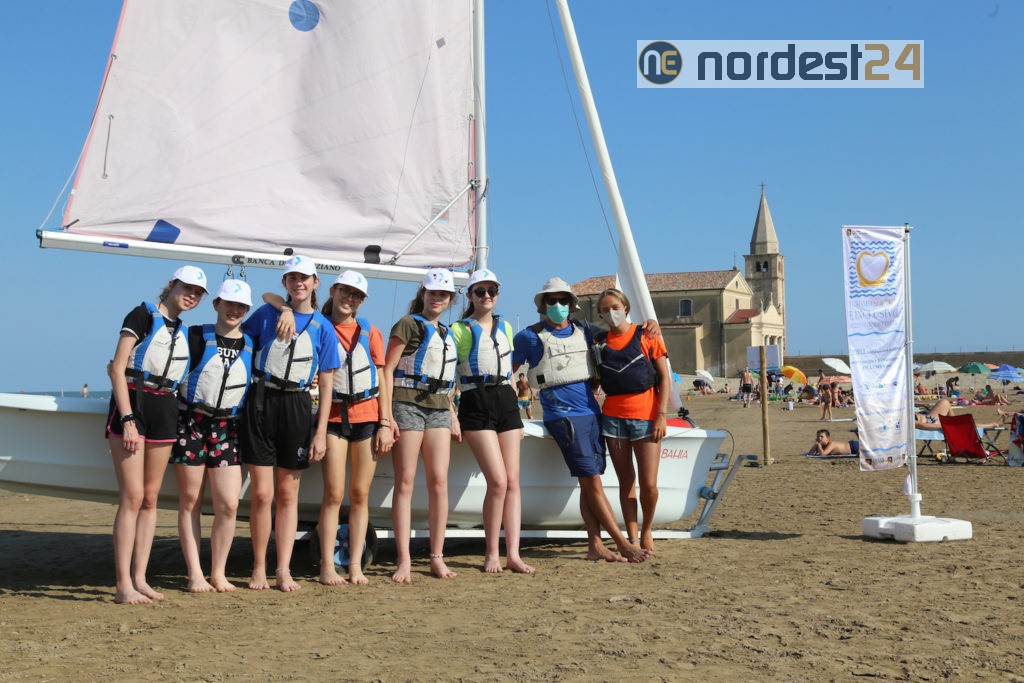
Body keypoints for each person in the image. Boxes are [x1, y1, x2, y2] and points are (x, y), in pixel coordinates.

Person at [512, 276, 649, 563]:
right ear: (542, 305)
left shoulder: (586, 331)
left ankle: (595, 545)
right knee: (592, 481)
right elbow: (508, 373)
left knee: (590, 484)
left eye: (563, 300)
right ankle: (622, 543)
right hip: (563, 417)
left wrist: (649, 326)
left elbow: (621, 333)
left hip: (592, 414)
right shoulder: (528, 337)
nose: (558, 305)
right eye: (552, 301)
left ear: (571, 304)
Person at [106, 264, 209, 604]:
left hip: (165, 408)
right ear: (172, 284)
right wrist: (128, 419)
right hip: (134, 403)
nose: (191, 295)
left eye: (198, 292)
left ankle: (140, 578)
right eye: (187, 287)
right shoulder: (142, 315)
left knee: (150, 499)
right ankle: (123, 584)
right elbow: (117, 368)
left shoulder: (185, 331)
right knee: (132, 497)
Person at [241, 255, 339, 592]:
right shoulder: (267, 313)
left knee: (287, 493)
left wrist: (320, 432)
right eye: (292, 278)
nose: (298, 283)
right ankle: (258, 567)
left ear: (315, 283)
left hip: (297, 405)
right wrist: (282, 307)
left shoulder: (324, 327)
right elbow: (240, 339)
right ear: (285, 283)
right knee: (262, 494)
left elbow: (327, 383)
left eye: (304, 278)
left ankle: (282, 569)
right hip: (261, 401)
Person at [171, 279, 253, 593]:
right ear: (216, 304)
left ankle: (218, 573)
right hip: (192, 422)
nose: (234, 310)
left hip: (228, 427)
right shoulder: (194, 336)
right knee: (191, 501)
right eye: (229, 303)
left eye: (241, 306)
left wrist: (285, 310)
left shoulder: (252, 343)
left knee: (229, 504)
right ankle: (195, 574)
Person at [312, 270, 393, 586]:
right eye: (345, 291)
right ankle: (327, 566)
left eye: (357, 295)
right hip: (333, 419)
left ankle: (356, 566)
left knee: (360, 494)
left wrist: (385, 422)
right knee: (333, 494)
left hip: (367, 419)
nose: (350, 298)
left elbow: (382, 379)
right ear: (333, 291)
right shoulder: (319, 327)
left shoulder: (370, 331)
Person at [451, 269, 534, 574]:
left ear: (498, 294)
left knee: (512, 482)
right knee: (497, 481)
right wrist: (451, 415)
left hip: (506, 401)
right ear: (470, 295)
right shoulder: (459, 330)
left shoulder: (506, 327)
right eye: (480, 291)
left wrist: (518, 416)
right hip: (475, 400)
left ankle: (513, 554)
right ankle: (491, 552)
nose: (487, 296)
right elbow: (447, 374)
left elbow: (509, 373)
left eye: (492, 291)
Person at [383, 268, 461, 582]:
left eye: (443, 294)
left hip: (439, 408)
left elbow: (448, 380)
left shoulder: (447, 333)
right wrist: (386, 416)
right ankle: (404, 559)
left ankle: (436, 557)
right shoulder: (407, 324)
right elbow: (387, 369)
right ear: (423, 294)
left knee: (439, 482)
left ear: (450, 298)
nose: (437, 298)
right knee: (405, 481)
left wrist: (453, 413)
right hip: (407, 404)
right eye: (432, 292)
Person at [593, 288, 671, 553]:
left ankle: (647, 528)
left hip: (646, 417)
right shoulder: (598, 342)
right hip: (613, 419)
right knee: (626, 482)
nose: (611, 313)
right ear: (600, 314)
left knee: (648, 484)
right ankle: (633, 537)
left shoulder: (647, 334)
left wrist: (662, 415)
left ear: (625, 308)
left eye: (615, 307)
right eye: (605, 309)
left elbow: (665, 378)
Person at [915, 398, 999, 431]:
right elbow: (922, 425)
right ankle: (991, 425)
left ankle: (954, 422)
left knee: (944, 401)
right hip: (930, 421)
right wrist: (945, 426)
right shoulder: (909, 421)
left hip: (925, 415)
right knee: (960, 424)